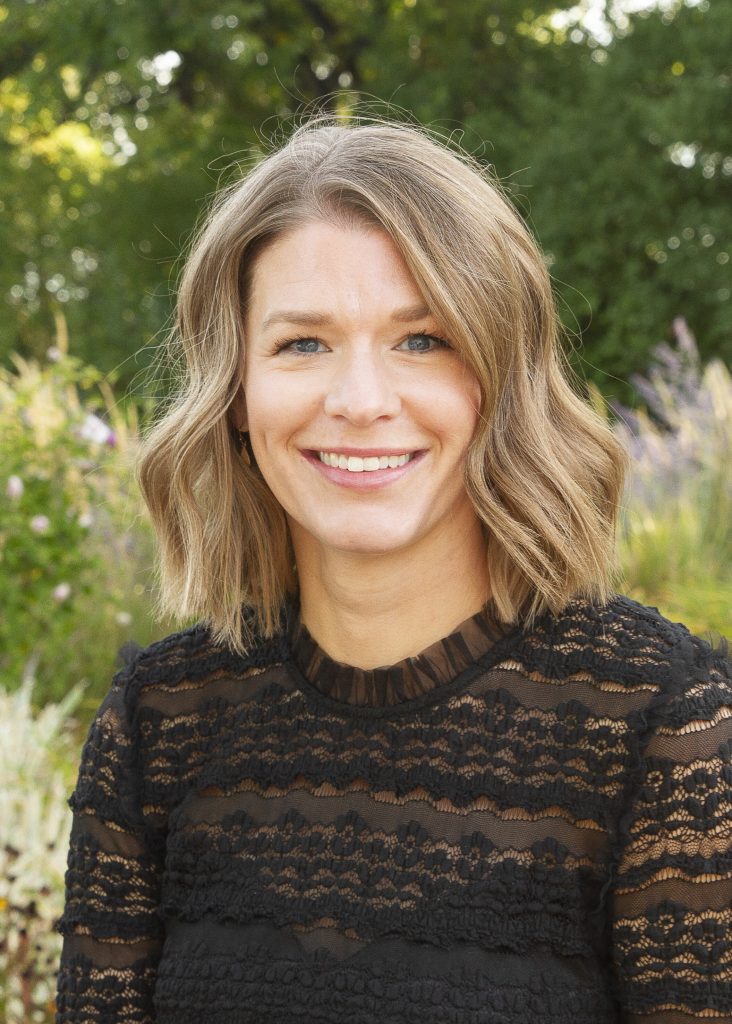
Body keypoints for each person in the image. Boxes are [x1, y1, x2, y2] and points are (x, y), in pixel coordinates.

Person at [55, 117, 731, 1024]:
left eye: (422, 340)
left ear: (500, 379)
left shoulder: (665, 724)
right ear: (236, 395)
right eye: (303, 343)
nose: (361, 401)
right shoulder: (159, 721)